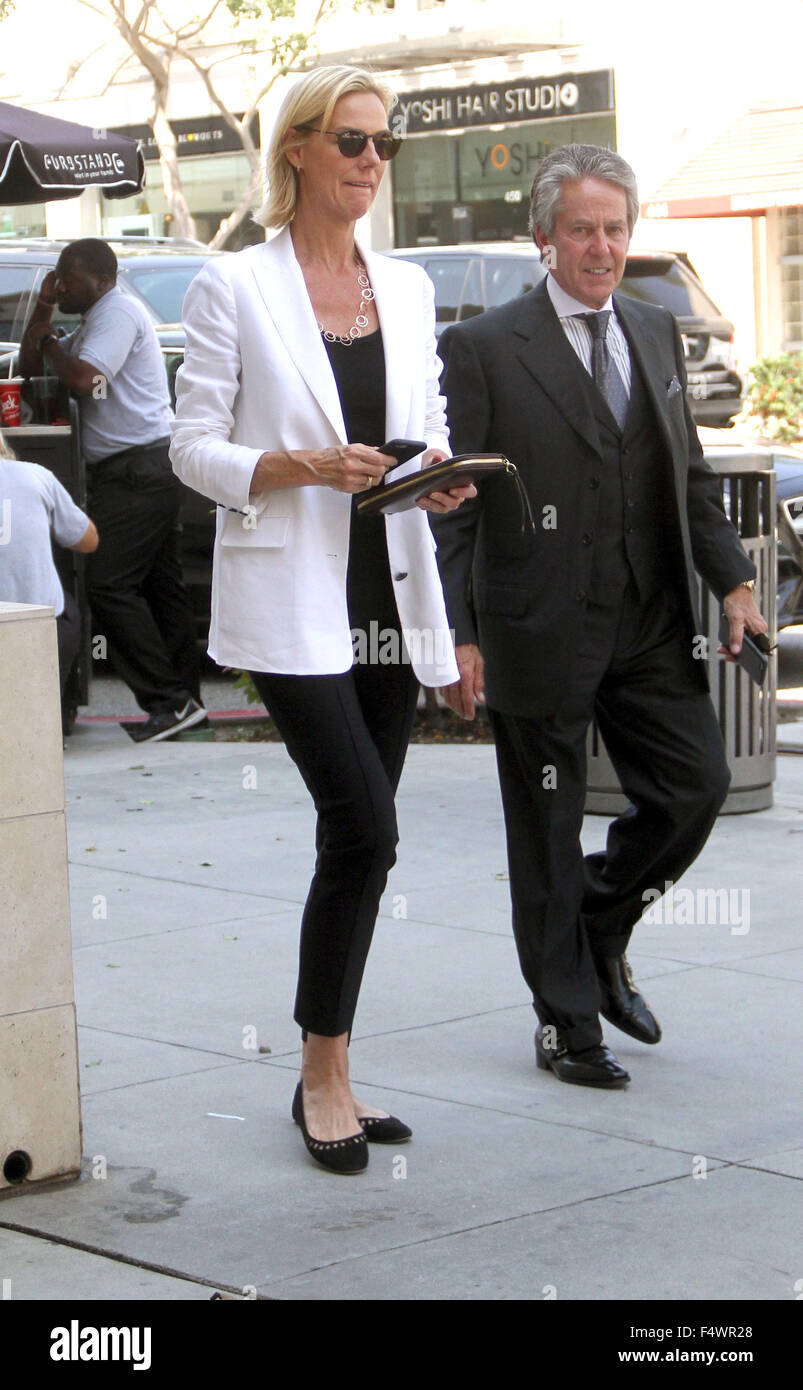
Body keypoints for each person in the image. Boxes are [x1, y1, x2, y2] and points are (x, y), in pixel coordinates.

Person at [170, 65, 474, 1173]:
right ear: (295, 149)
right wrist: (294, 466)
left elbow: (425, 425)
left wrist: (438, 475)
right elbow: (189, 448)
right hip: (290, 598)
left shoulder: (403, 286)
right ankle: (317, 1075)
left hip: (386, 590)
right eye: (351, 141)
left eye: (382, 146)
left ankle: (332, 1064)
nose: (369, 163)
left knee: (355, 844)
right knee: (369, 829)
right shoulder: (234, 287)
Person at [432, 144, 767, 1090]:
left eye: (615, 229)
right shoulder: (487, 347)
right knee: (543, 824)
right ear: (544, 239)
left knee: (693, 788)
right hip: (536, 625)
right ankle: (567, 1022)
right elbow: (455, 508)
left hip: (647, 619)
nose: (601, 247)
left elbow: (688, 475)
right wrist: (457, 634)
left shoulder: (655, 333)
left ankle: (599, 918)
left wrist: (732, 582)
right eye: (580, 230)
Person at [19, 239, 204, 743]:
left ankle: (170, 701)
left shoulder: (117, 313)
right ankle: (186, 703)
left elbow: (85, 380)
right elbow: (32, 366)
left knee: (106, 580)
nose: (62, 285)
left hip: (138, 470)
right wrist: (42, 309)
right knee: (160, 588)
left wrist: (55, 344)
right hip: (140, 470)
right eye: (56, 277)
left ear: (101, 280)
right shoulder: (92, 319)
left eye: (68, 278)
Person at [0, 428, 98, 707]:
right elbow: (88, 540)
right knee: (64, 607)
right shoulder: (36, 475)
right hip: (38, 625)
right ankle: (53, 717)